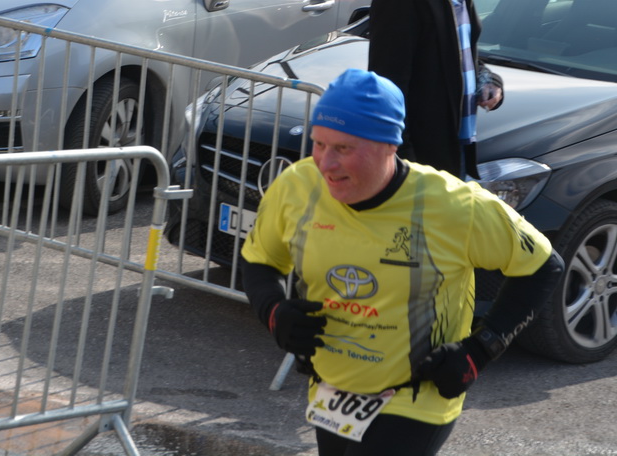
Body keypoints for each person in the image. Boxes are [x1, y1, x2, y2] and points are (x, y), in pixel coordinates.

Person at [240, 69, 564, 455]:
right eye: (319, 144)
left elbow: (544, 266)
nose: (326, 163)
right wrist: (273, 311)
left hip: (418, 397)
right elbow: (259, 261)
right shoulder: (297, 186)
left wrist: (481, 349)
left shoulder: (453, 205)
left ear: (389, 146)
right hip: (333, 389)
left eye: (343, 148)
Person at [368, 0, 504, 179]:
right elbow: (386, 88)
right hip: (420, 161)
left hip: (457, 147)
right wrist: (405, 164)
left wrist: (489, 80)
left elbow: (461, 54)